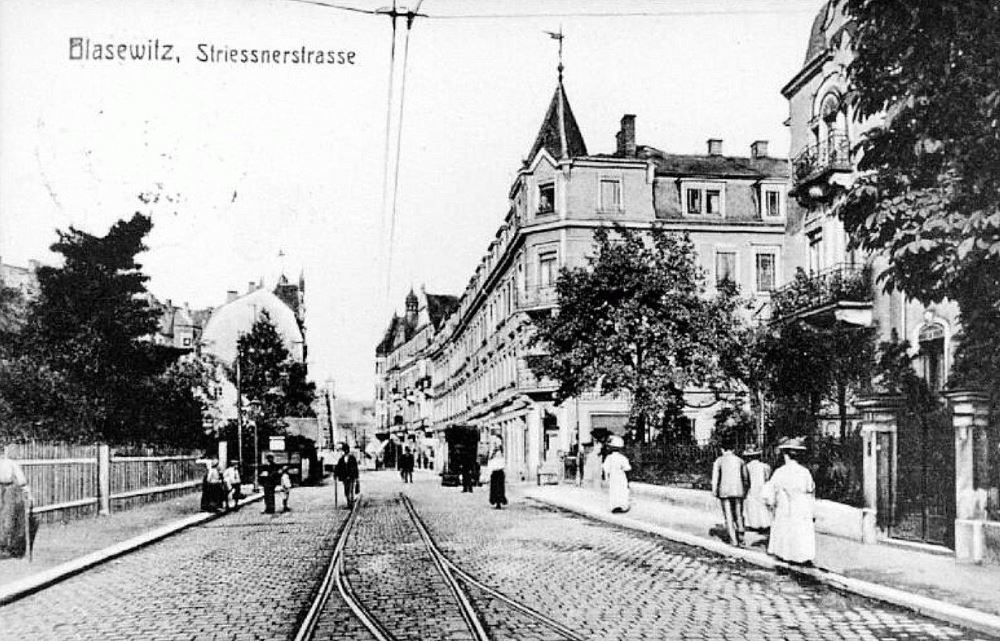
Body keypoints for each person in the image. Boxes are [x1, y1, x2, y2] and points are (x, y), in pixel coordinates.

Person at [764, 437, 816, 565]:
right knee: (801, 530)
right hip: (802, 506)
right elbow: (811, 489)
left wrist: (771, 503)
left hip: (786, 505)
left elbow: (769, 492)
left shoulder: (781, 472)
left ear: (786, 455)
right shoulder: (805, 472)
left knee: (786, 528)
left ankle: (786, 554)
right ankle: (802, 556)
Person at [711, 442, 750, 546]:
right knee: (739, 513)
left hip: (724, 491)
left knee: (728, 515)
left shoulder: (719, 461)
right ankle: (741, 536)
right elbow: (746, 478)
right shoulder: (740, 461)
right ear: (733, 450)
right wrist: (745, 490)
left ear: (722, 449)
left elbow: (715, 478)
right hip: (738, 490)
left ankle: (733, 540)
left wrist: (714, 490)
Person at [0, 446, 31, 559]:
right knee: (6, 518)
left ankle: (6, 547)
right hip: (5, 490)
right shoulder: (10, 463)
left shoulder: (9, 463)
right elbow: (22, 480)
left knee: (7, 519)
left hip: (8, 490)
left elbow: (21, 480)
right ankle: (6, 547)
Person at [743, 448, 772, 532]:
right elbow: (767, 478)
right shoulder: (765, 466)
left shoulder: (747, 467)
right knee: (762, 506)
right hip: (761, 488)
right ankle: (765, 524)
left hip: (752, 488)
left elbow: (745, 479)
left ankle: (753, 524)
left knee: (752, 505)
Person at [601, 435, 631, 513]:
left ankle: (614, 506)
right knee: (622, 490)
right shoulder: (622, 458)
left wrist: (606, 477)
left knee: (614, 491)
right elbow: (627, 469)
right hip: (621, 476)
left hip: (613, 477)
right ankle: (623, 506)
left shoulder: (609, 458)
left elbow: (605, 468)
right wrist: (628, 480)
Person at [333, 444, 359, 509]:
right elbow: (338, 467)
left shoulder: (352, 458)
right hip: (344, 477)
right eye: (344, 450)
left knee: (351, 490)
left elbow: (355, 468)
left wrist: (356, 477)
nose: (345, 451)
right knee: (346, 491)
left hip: (351, 477)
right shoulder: (341, 459)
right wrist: (335, 475)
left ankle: (351, 504)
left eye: (346, 450)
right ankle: (349, 502)